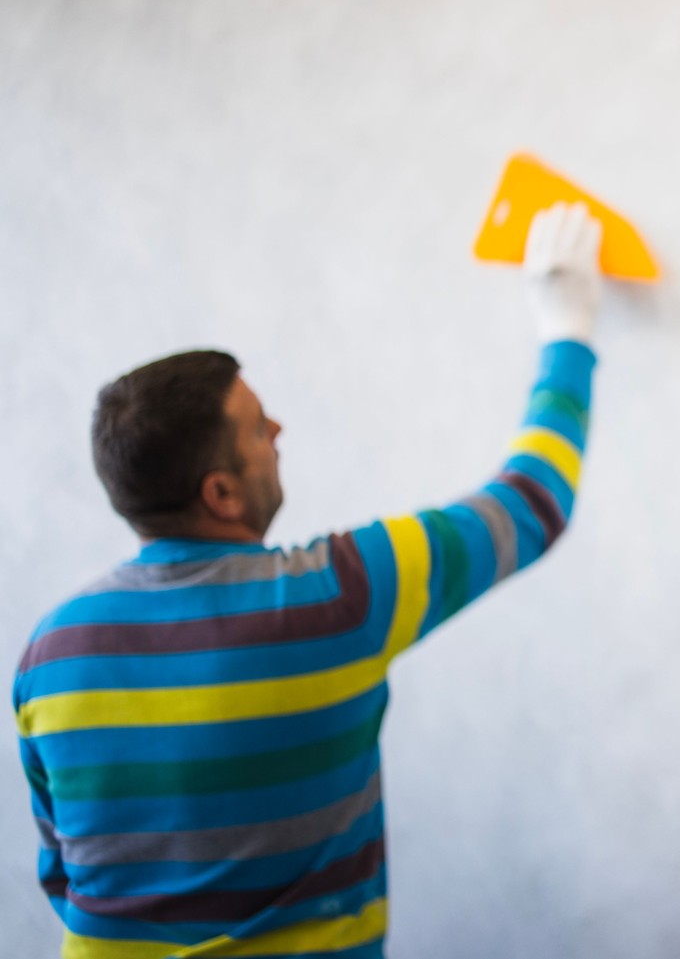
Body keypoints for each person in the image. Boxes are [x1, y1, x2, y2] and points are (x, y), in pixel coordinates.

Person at [13, 202, 604, 958]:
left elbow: (61, 876)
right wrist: (569, 329)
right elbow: (532, 502)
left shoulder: (49, 653)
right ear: (221, 493)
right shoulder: (344, 595)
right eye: (259, 429)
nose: (279, 432)